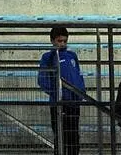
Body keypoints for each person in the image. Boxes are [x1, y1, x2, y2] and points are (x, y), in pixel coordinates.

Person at [38, 25, 86, 155]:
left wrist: (81, 92)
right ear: (52, 41)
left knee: (74, 136)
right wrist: (58, 94)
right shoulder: (48, 57)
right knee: (60, 136)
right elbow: (43, 80)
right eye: (59, 41)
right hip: (58, 104)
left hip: (74, 103)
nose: (62, 44)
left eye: (65, 41)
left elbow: (78, 75)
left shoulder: (72, 55)